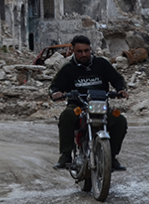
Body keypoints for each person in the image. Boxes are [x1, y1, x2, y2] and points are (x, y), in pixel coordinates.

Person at [49, 35, 129, 171]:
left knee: (119, 120)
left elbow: (117, 79)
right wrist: (56, 93)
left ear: (91, 49)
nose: (84, 54)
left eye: (86, 50)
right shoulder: (68, 68)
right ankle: (65, 156)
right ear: (73, 51)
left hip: (100, 104)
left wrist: (121, 89)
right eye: (79, 51)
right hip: (78, 106)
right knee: (66, 116)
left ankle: (112, 157)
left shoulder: (101, 64)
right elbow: (55, 86)